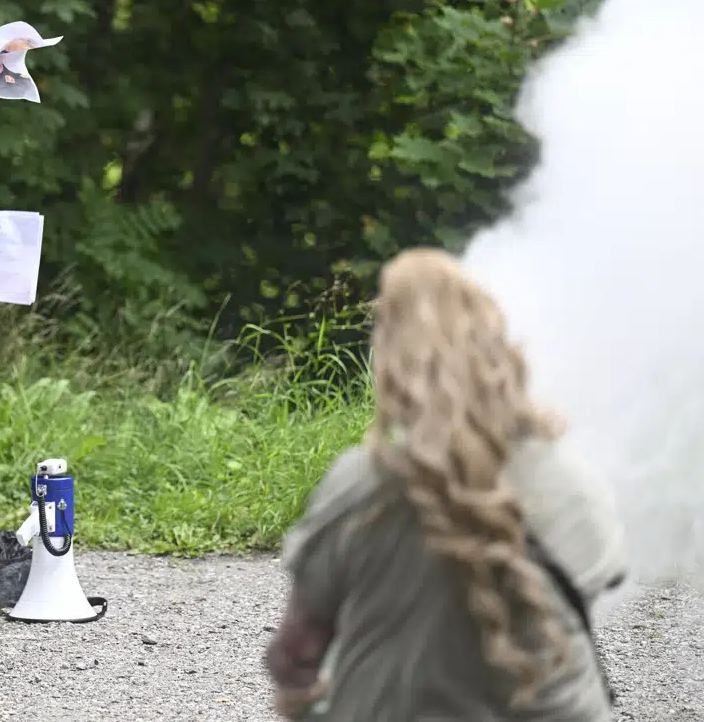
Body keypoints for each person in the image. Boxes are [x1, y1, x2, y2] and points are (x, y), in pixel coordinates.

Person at [264, 247, 627, 720]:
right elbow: (587, 603)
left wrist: (305, 701)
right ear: (498, 349)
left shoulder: (361, 486)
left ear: (392, 360)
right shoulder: (573, 485)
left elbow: (297, 655)